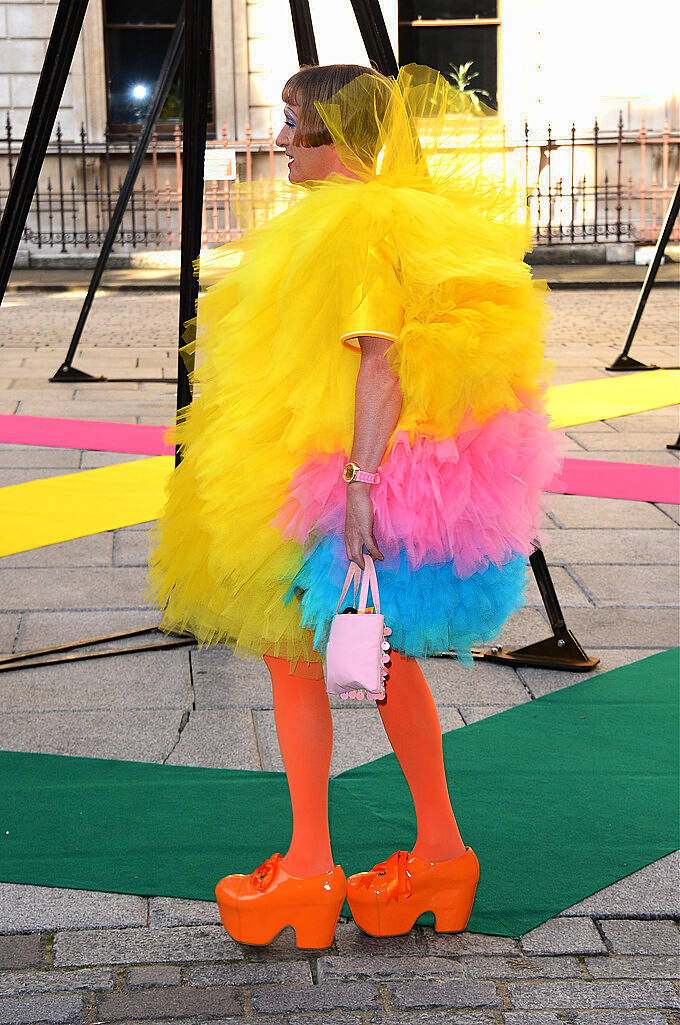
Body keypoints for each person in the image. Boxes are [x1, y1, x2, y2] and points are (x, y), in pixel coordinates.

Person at [146, 62, 562, 950]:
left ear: (331, 135)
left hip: (336, 477)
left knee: (305, 651)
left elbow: (381, 358)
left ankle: (311, 868)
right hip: (334, 467)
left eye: (293, 124)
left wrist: (361, 487)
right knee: (365, 651)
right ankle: (435, 853)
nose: (281, 142)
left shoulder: (355, 225)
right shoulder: (388, 217)